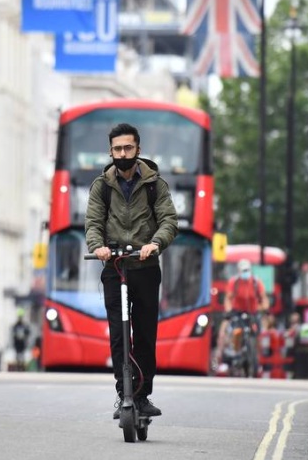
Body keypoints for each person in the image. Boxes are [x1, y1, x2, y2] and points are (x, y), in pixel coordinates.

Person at [85, 122, 178, 419]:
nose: (122, 153)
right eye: (117, 149)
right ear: (110, 151)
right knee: (118, 334)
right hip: (115, 267)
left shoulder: (155, 185)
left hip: (146, 266)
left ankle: (143, 396)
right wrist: (98, 246)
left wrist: (155, 243)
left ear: (138, 149)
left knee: (146, 334)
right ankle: (124, 392)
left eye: (127, 148)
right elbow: (93, 224)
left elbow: (169, 222)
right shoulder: (101, 186)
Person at [214, 259, 270, 371]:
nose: (245, 272)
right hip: (237, 311)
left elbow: (264, 298)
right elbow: (228, 298)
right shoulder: (234, 282)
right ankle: (222, 358)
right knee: (225, 330)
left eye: (247, 270)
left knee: (262, 332)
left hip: (253, 312)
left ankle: (260, 358)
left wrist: (264, 307)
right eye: (243, 270)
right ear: (239, 271)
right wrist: (229, 310)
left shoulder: (256, 282)